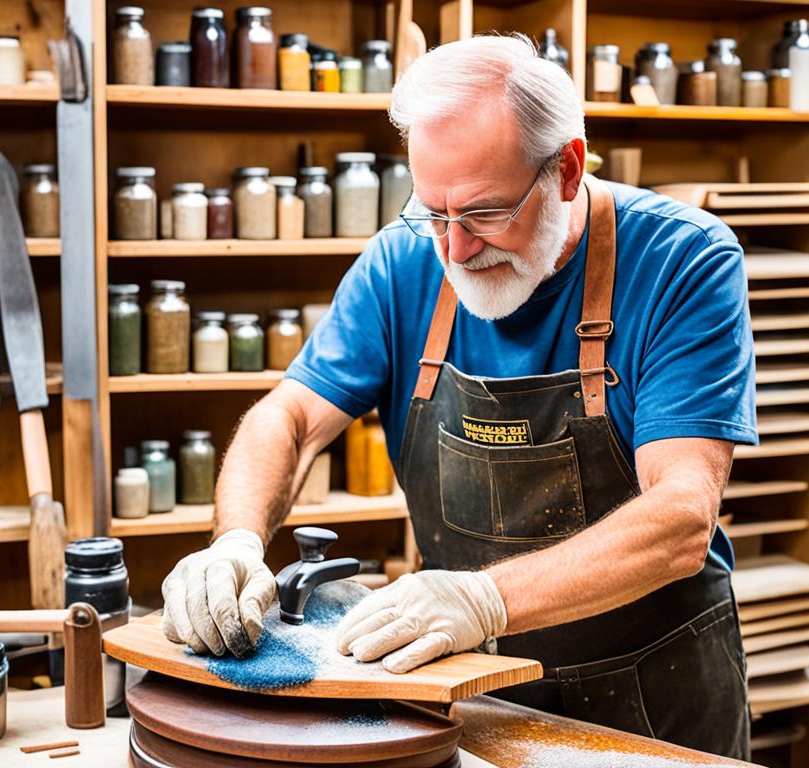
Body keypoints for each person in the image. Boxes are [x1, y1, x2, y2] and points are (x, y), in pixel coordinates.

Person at [160, 34, 757, 759]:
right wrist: (237, 541)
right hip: (473, 697)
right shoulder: (403, 261)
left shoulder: (681, 261)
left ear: (566, 169)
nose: (455, 250)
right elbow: (287, 419)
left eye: (482, 213)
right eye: (433, 212)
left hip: (652, 705)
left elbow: (680, 519)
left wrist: (485, 599)